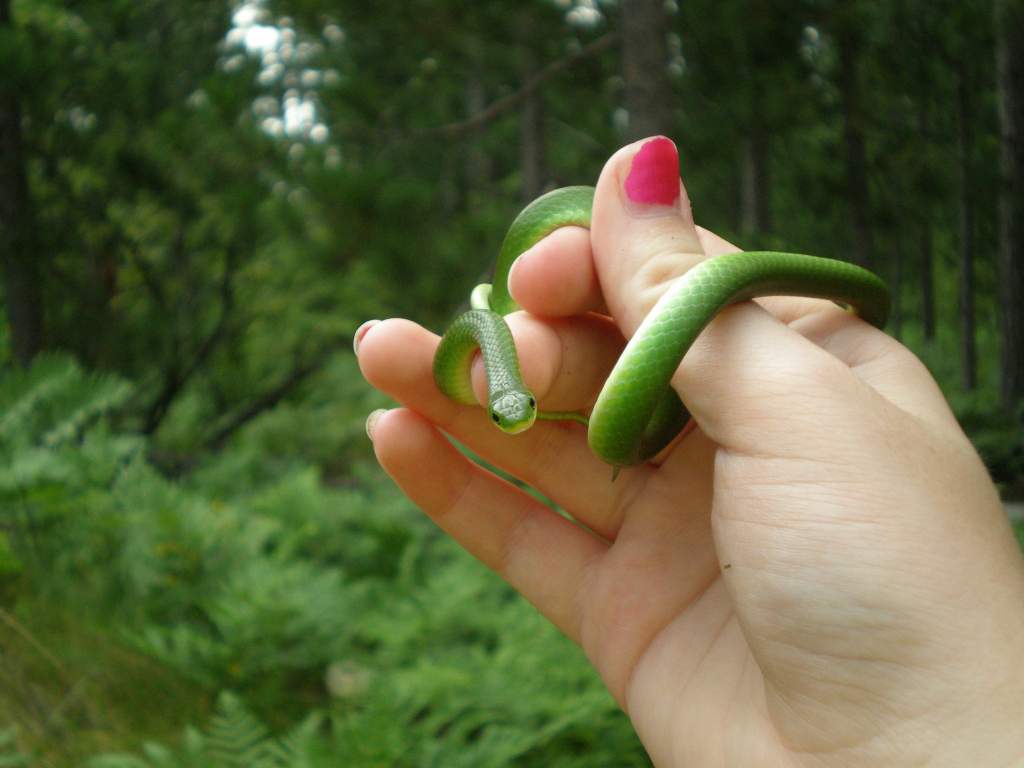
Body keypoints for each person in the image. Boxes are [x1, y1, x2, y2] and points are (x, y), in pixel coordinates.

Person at [354, 137, 1024, 766]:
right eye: (514, 409)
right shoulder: (491, 359)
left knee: (562, 320)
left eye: (519, 406)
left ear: (523, 398)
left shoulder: (513, 364)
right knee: (525, 326)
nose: (517, 419)